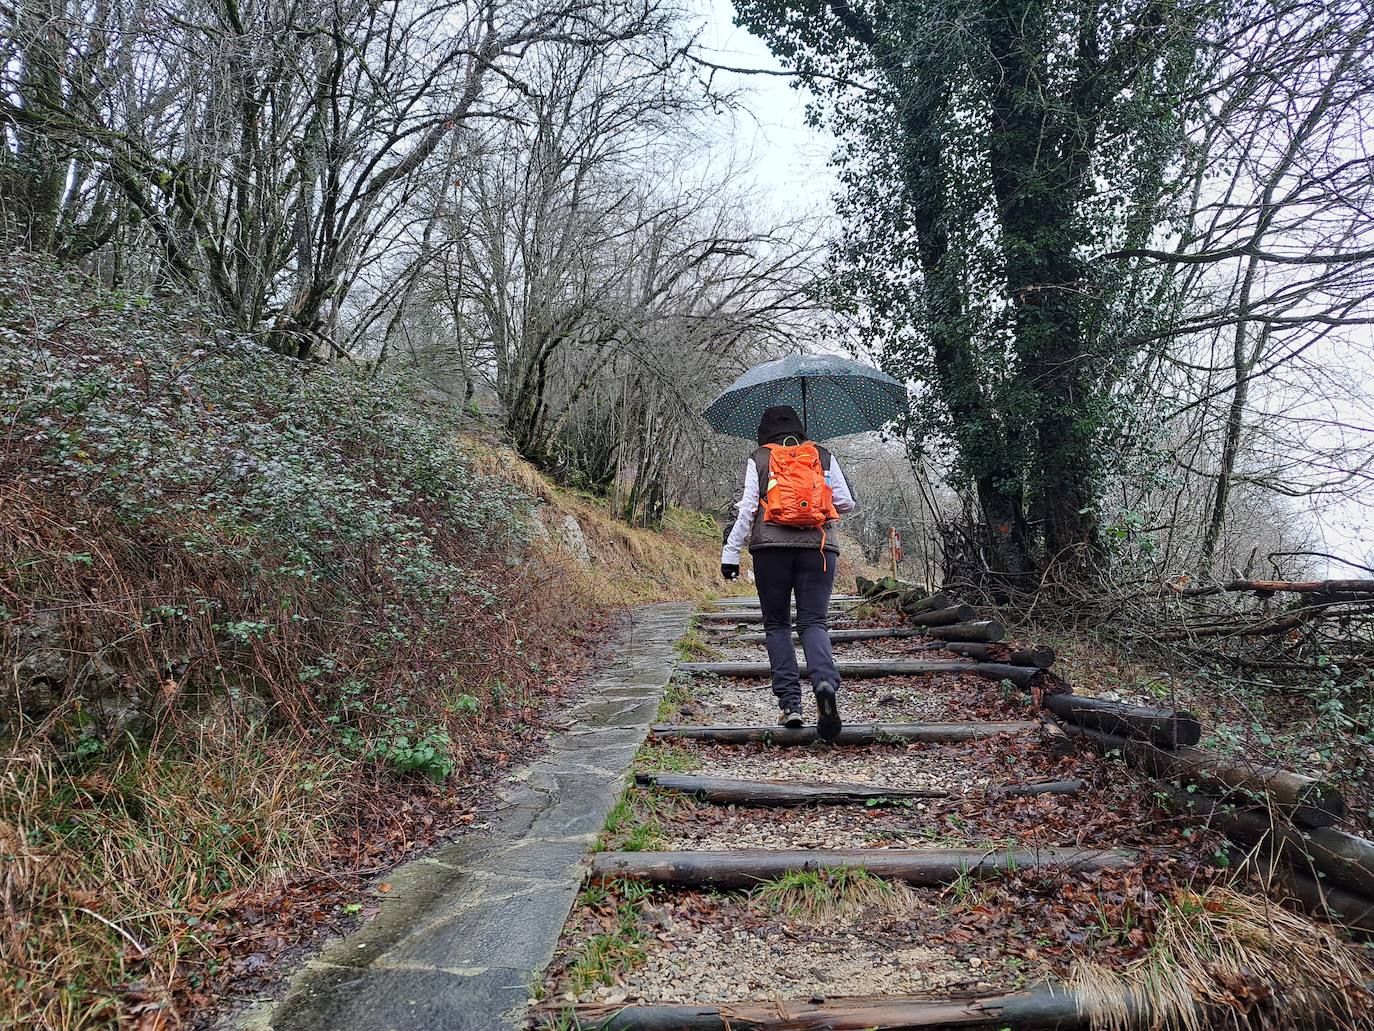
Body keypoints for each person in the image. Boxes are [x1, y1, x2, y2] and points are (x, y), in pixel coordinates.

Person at [720, 405, 856, 740]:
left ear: (764, 430)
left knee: (777, 625)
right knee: (813, 622)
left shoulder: (760, 457)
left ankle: (790, 704)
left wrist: (731, 553)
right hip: (819, 549)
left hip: (770, 551)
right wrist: (813, 508)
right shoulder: (821, 455)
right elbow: (847, 503)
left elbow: (748, 507)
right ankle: (824, 681)